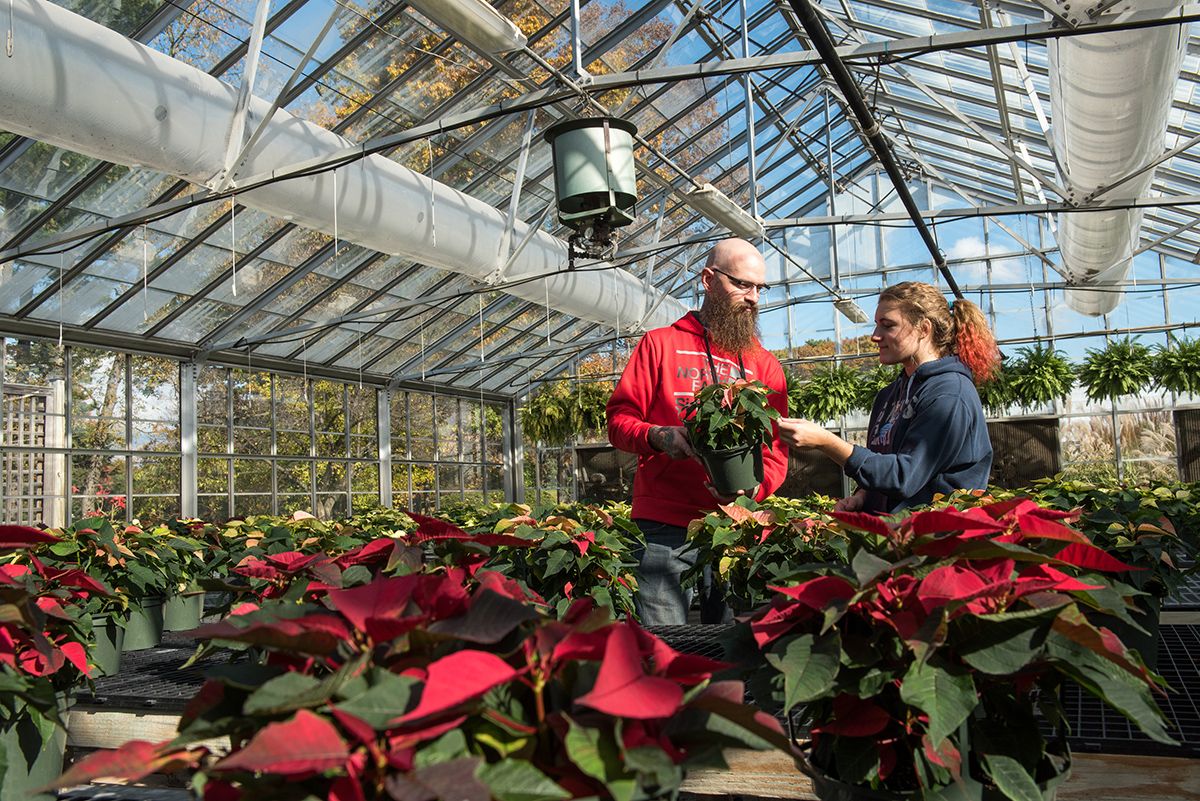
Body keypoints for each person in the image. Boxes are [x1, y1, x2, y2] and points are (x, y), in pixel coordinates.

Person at [607, 237, 789, 625]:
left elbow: (774, 451)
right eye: (742, 284)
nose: (753, 297)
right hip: (663, 526)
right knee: (664, 644)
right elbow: (620, 422)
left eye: (760, 288)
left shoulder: (765, 365)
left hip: (733, 525)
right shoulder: (660, 345)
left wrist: (753, 490)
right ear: (708, 279)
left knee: (727, 648)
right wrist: (659, 436)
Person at [776, 281, 997, 514]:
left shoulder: (950, 394)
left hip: (936, 540)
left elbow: (904, 477)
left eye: (888, 325)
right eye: (876, 325)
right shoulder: (889, 396)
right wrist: (863, 495)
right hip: (893, 539)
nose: (874, 336)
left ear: (924, 329)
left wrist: (827, 442)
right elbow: (883, 465)